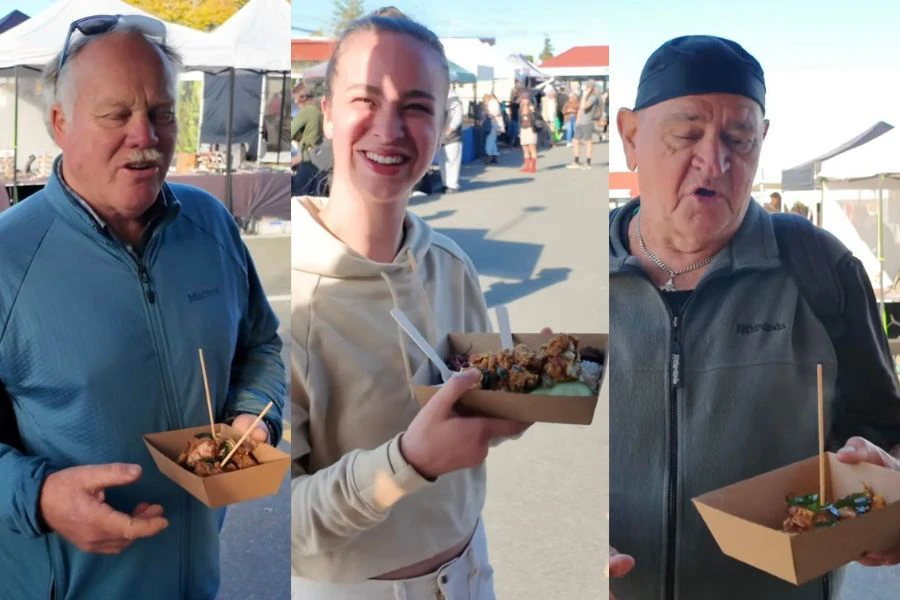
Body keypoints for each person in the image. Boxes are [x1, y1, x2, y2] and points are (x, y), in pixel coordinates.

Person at [0, 17, 285, 600]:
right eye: (116, 115)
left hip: (198, 580)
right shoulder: (8, 258)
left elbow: (261, 343)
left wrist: (256, 414)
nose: (145, 136)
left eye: (161, 112)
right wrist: (40, 497)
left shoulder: (210, 223)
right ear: (59, 123)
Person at [609, 35, 900, 600]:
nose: (714, 161)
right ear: (630, 138)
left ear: (762, 139)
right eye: (687, 134)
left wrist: (883, 494)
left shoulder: (820, 269)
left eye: (739, 138)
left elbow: (886, 431)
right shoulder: (580, 277)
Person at [291, 7, 531, 600]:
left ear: (444, 124)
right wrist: (405, 464)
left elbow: (465, 415)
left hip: (471, 574)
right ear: (326, 112)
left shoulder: (449, 264)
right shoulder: (281, 296)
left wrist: (517, 398)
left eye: (417, 106)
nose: (390, 128)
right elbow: (277, 521)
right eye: (366, 100)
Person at [567, 81, 598, 169]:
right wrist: (577, 119)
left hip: (587, 122)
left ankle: (588, 162)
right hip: (580, 122)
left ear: (592, 88)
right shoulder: (584, 97)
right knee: (575, 141)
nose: (586, 88)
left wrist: (584, 96)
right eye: (586, 87)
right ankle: (576, 161)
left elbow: (585, 107)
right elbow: (580, 109)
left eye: (588, 87)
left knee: (588, 142)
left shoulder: (593, 97)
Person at [291, 82, 324, 163]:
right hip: (319, 154)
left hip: (307, 157)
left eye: (295, 98)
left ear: (302, 97)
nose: (295, 101)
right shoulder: (319, 109)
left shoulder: (306, 111)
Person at [439, 86, 463, 192]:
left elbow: (457, 119)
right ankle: (446, 183)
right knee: (444, 161)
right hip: (444, 137)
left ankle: (452, 184)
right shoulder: (444, 102)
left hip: (452, 137)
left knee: (451, 161)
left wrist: (449, 131)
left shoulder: (454, 102)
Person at [518, 94, 540, 173]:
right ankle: (527, 166)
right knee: (525, 148)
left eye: (526, 98)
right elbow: (519, 121)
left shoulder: (533, 108)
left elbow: (539, 118)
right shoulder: (520, 109)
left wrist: (534, 112)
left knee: (532, 148)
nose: (525, 100)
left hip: (531, 129)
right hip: (523, 129)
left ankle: (533, 167)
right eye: (523, 99)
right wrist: (519, 131)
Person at [482, 93, 503, 164]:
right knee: (493, 141)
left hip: (493, 124)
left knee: (489, 141)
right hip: (496, 124)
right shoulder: (495, 102)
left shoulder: (492, 103)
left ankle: (489, 156)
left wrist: (486, 113)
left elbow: (492, 114)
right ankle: (494, 156)